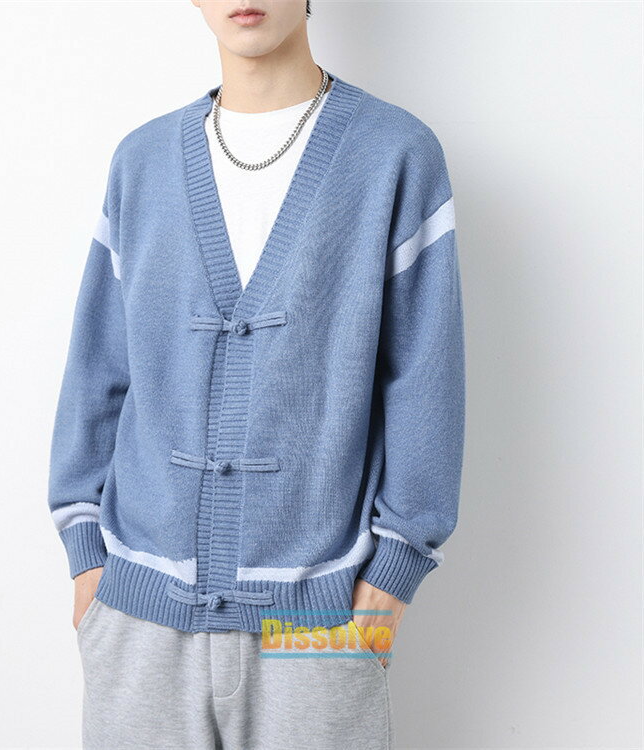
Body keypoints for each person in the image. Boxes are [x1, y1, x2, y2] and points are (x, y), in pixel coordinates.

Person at [47, 1, 466, 747]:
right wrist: (87, 563)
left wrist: (389, 583)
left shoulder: (394, 154)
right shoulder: (142, 162)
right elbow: (98, 369)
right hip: (139, 620)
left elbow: (425, 378)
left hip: (322, 628)